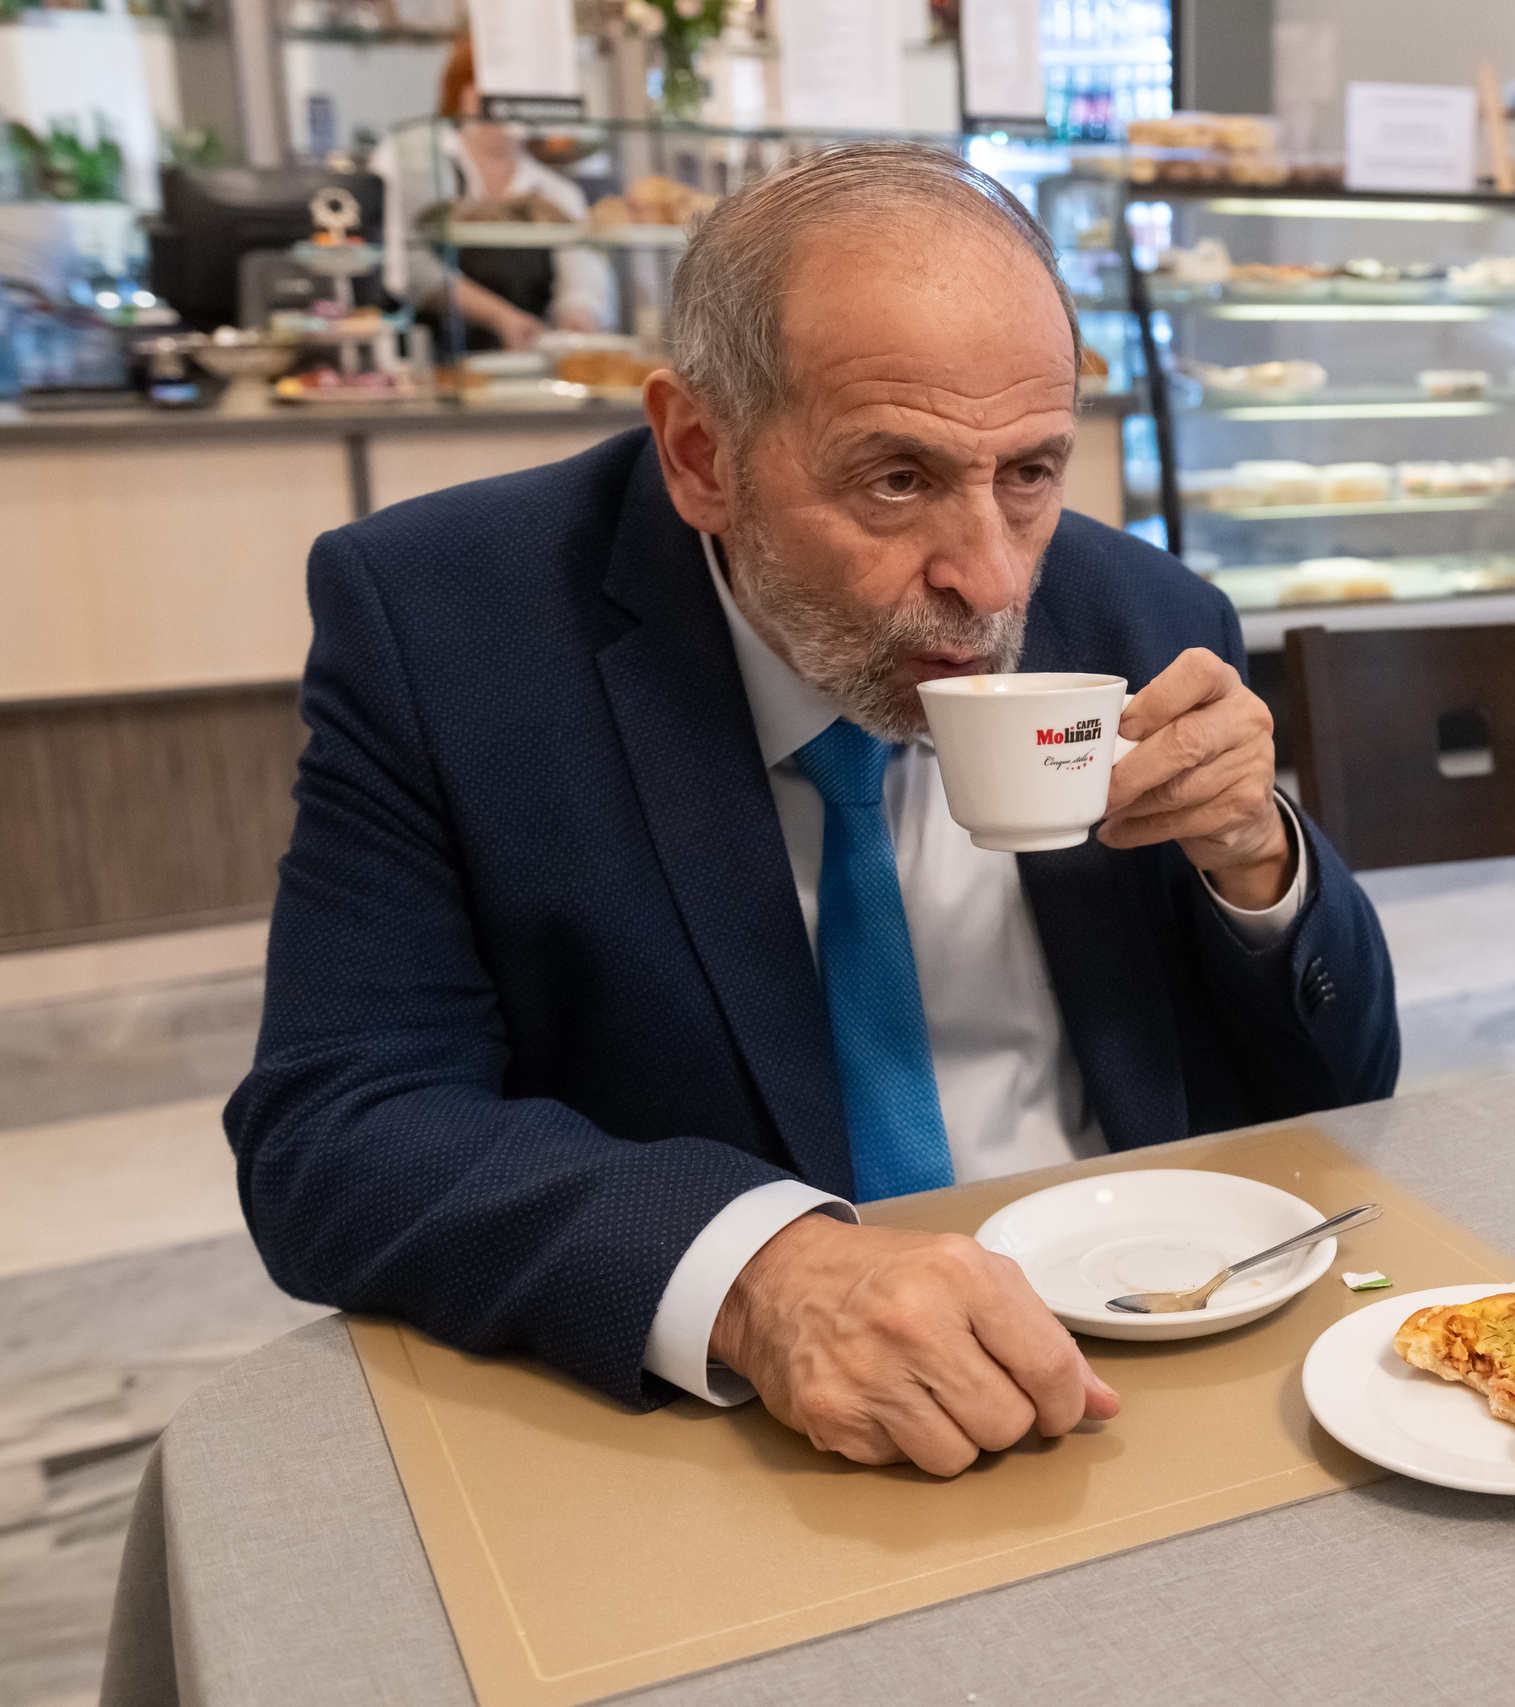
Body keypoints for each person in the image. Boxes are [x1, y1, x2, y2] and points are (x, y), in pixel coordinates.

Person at [226, 142, 1399, 1477]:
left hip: (1141, 1357)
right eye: (896, 480)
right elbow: (336, 1130)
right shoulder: (447, 631)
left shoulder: (1147, 619)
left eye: (1030, 471)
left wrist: (1260, 867)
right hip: (728, 1432)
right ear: (697, 452)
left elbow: (1345, 1099)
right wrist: (756, 1272)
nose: (988, 577)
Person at [373, 35, 616, 351]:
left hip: (530, 369)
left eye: (523, 88)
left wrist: (578, 320)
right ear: (463, 92)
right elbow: (413, 271)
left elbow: (582, 278)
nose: (509, 101)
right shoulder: (413, 159)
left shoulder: (557, 192)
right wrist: (502, 318)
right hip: (436, 365)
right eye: (494, 85)